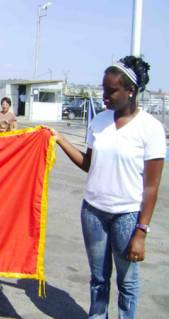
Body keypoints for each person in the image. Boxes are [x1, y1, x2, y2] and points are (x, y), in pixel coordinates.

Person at [51, 56, 166, 319]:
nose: (105, 96)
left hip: (126, 216)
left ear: (131, 91)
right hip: (92, 213)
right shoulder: (100, 121)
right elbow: (88, 164)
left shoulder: (150, 129)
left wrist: (141, 232)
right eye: (103, 89)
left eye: (111, 91)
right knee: (98, 278)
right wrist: (60, 139)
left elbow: (151, 187)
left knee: (126, 282)